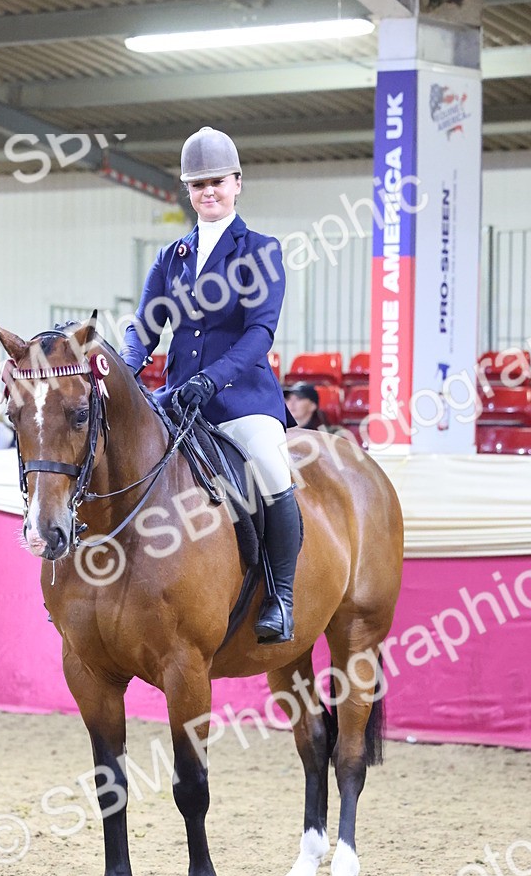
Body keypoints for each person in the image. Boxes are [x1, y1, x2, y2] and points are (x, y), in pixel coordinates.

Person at [121, 126, 300, 643]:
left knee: (269, 467)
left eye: (217, 181)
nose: (208, 192)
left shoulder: (260, 251)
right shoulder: (171, 258)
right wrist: (126, 370)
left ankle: (280, 596)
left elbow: (258, 333)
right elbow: (144, 327)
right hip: (179, 400)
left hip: (242, 399)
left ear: (237, 183)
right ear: (188, 189)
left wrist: (210, 379)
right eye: (198, 184)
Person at [284, 381, 357, 442]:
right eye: (288, 399)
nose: (291, 403)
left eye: (298, 399)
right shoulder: (281, 432)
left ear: (312, 406)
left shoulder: (331, 434)